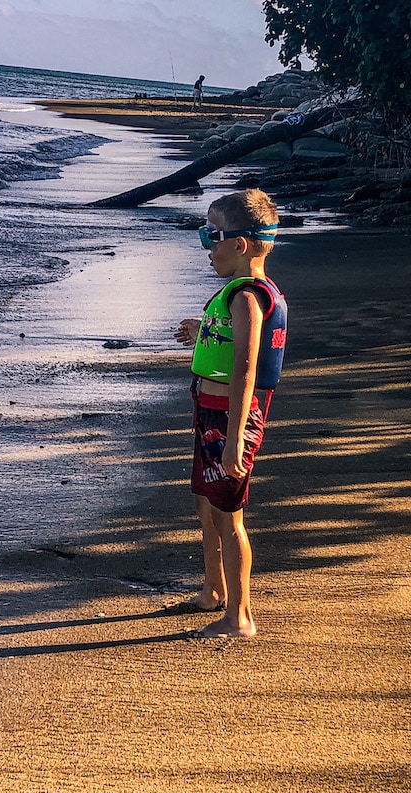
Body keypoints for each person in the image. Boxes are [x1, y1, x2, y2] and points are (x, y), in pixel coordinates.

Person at [172, 189, 287, 637]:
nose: (206, 245)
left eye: (212, 235)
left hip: (229, 418)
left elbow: (245, 368)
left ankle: (239, 617)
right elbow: (230, 344)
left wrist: (235, 437)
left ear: (240, 244)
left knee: (228, 513)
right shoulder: (238, 296)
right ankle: (213, 589)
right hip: (211, 410)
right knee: (205, 503)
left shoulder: (248, 297)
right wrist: (202, 329)